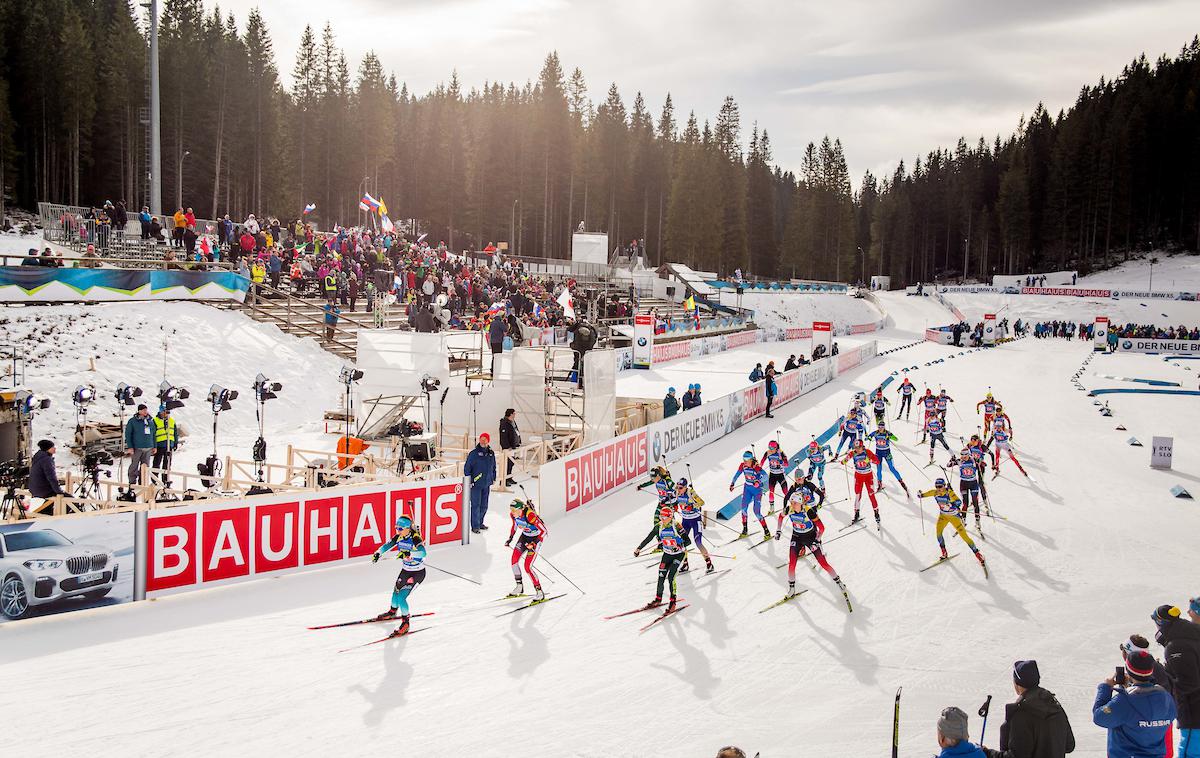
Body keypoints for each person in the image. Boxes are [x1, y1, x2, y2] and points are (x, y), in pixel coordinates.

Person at [1092, 649, 1176, 758]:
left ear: (1129, 671)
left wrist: (1105, 688)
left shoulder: (1124, 701)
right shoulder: (1165, 696)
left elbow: (1099, 717)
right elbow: (1168, 715)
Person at [983, 660, 1075, 758]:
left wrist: (988, 753)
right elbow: (1069, 745)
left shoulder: (1021, 714)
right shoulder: (1054, 706)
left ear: (1017, 684)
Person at [1152, 604, 1200, 756]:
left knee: (1188, 754)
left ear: (1161, 623)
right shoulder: (1191, 635)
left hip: (1194, 713)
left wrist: (1162, 673)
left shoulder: (1176, 646)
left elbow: (1188, 683)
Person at [369, 516, 428, 637]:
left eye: (400, 528)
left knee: (402, 597)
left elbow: (423, 552)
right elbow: (387, 545)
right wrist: (378, 553)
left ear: (407, 528)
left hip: (417, 573)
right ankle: (392, 612)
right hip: (405, 571)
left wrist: (409, 553)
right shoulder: (399, 537)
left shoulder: (415, 537)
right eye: (396, 528)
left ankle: (406, 623)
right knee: (395, 591)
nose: (398, 531)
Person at [633, 506, 691, 612]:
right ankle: (658, 599)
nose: (662, 519)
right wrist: (639, 548)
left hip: (679, 554)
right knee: (661, 576)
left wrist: (680, 546)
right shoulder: (659, 526)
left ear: (670, 517)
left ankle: (673, 602)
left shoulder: (676, 525)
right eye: (661, 517)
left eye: (664, 517)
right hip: (667, 554)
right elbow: (649, 537)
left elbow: (688, 541)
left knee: (671, 577)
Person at [504, 500, 547, 601]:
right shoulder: (513, 515)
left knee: (527, 567)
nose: (512, 512)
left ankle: (539, 592)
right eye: (511, 509)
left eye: (514, 510)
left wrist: (534, 544)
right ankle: (519, 587)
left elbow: (544, 531)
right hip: (524, 537)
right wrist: (510, 538)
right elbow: (514, 526)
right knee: (514, 561)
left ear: (521, 509)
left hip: (536, 538)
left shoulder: (530, 515)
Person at [730, 451, 770, 540]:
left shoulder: (756, 467)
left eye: (747, 460)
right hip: (747, 489)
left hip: (757, 491)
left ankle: (767, 531)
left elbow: (766, 476)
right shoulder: (743, 465)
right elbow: (737, 475)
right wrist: (732, 483)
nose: (745, 461)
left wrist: (758, 482)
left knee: (756, 512)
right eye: (744, 459)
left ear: (751, 459)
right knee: (743, 509)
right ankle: (745, 530)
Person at [463, 432, 497, 534]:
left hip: (486, 484)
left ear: (488, 441)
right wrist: (469, 481)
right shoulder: (474, 454)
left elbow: (493, 467)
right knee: (476, 505)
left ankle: (480, 522)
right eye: (481, 439)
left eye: (485, 439)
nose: (483, 441)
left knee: (484, 505)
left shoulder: (491, 453)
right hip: (476, 484)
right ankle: (475, 526)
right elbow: (467, 468)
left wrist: (493, 477)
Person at [124, 404, 156, 486]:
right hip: (137, 447)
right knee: (134, 466)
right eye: (143, 410)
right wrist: (130, 446)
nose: (145, 411)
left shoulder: (150, 421)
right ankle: (132, 482)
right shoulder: (133, 421)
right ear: (139, 411)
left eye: (146, 410)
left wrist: (154, 446)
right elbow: (128, 434)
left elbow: (153, 434)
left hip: (148, 447)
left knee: (145, 467)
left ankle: (143, 482)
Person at [152, 405, 178, 483]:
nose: (166, 413)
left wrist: (175, 443)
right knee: (157, 463)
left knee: (167, 464)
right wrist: (154, 445)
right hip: (159, 445)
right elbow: (153, 434)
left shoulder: (171, 421)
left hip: (169, 445)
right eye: (164, 411)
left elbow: (175, 433)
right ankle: (154, 479)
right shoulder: (155, 420)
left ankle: (165, 479)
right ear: (161, 411)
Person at [499, 408, 521, 486]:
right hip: (507, 448)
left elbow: (515, 432)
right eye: (514, 413)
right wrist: (507, 446)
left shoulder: (512, 422)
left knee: (511, 463)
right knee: (506, 463)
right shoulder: (505, 423)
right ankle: (504, 480)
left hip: (513, 447)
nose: (515, 415)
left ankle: (509, 477)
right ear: (511, 414)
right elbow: (503, 436)